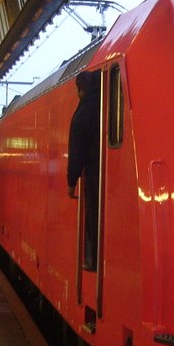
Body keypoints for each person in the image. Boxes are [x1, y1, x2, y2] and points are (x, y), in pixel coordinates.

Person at [67, 69, 101, 270]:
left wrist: (71, 182)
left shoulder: (83, 113)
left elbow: (76, 151)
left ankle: (92, 259)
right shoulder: (105, 105)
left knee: (92, 218)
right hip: (102, 173)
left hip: (93, 175)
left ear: (81, 89)